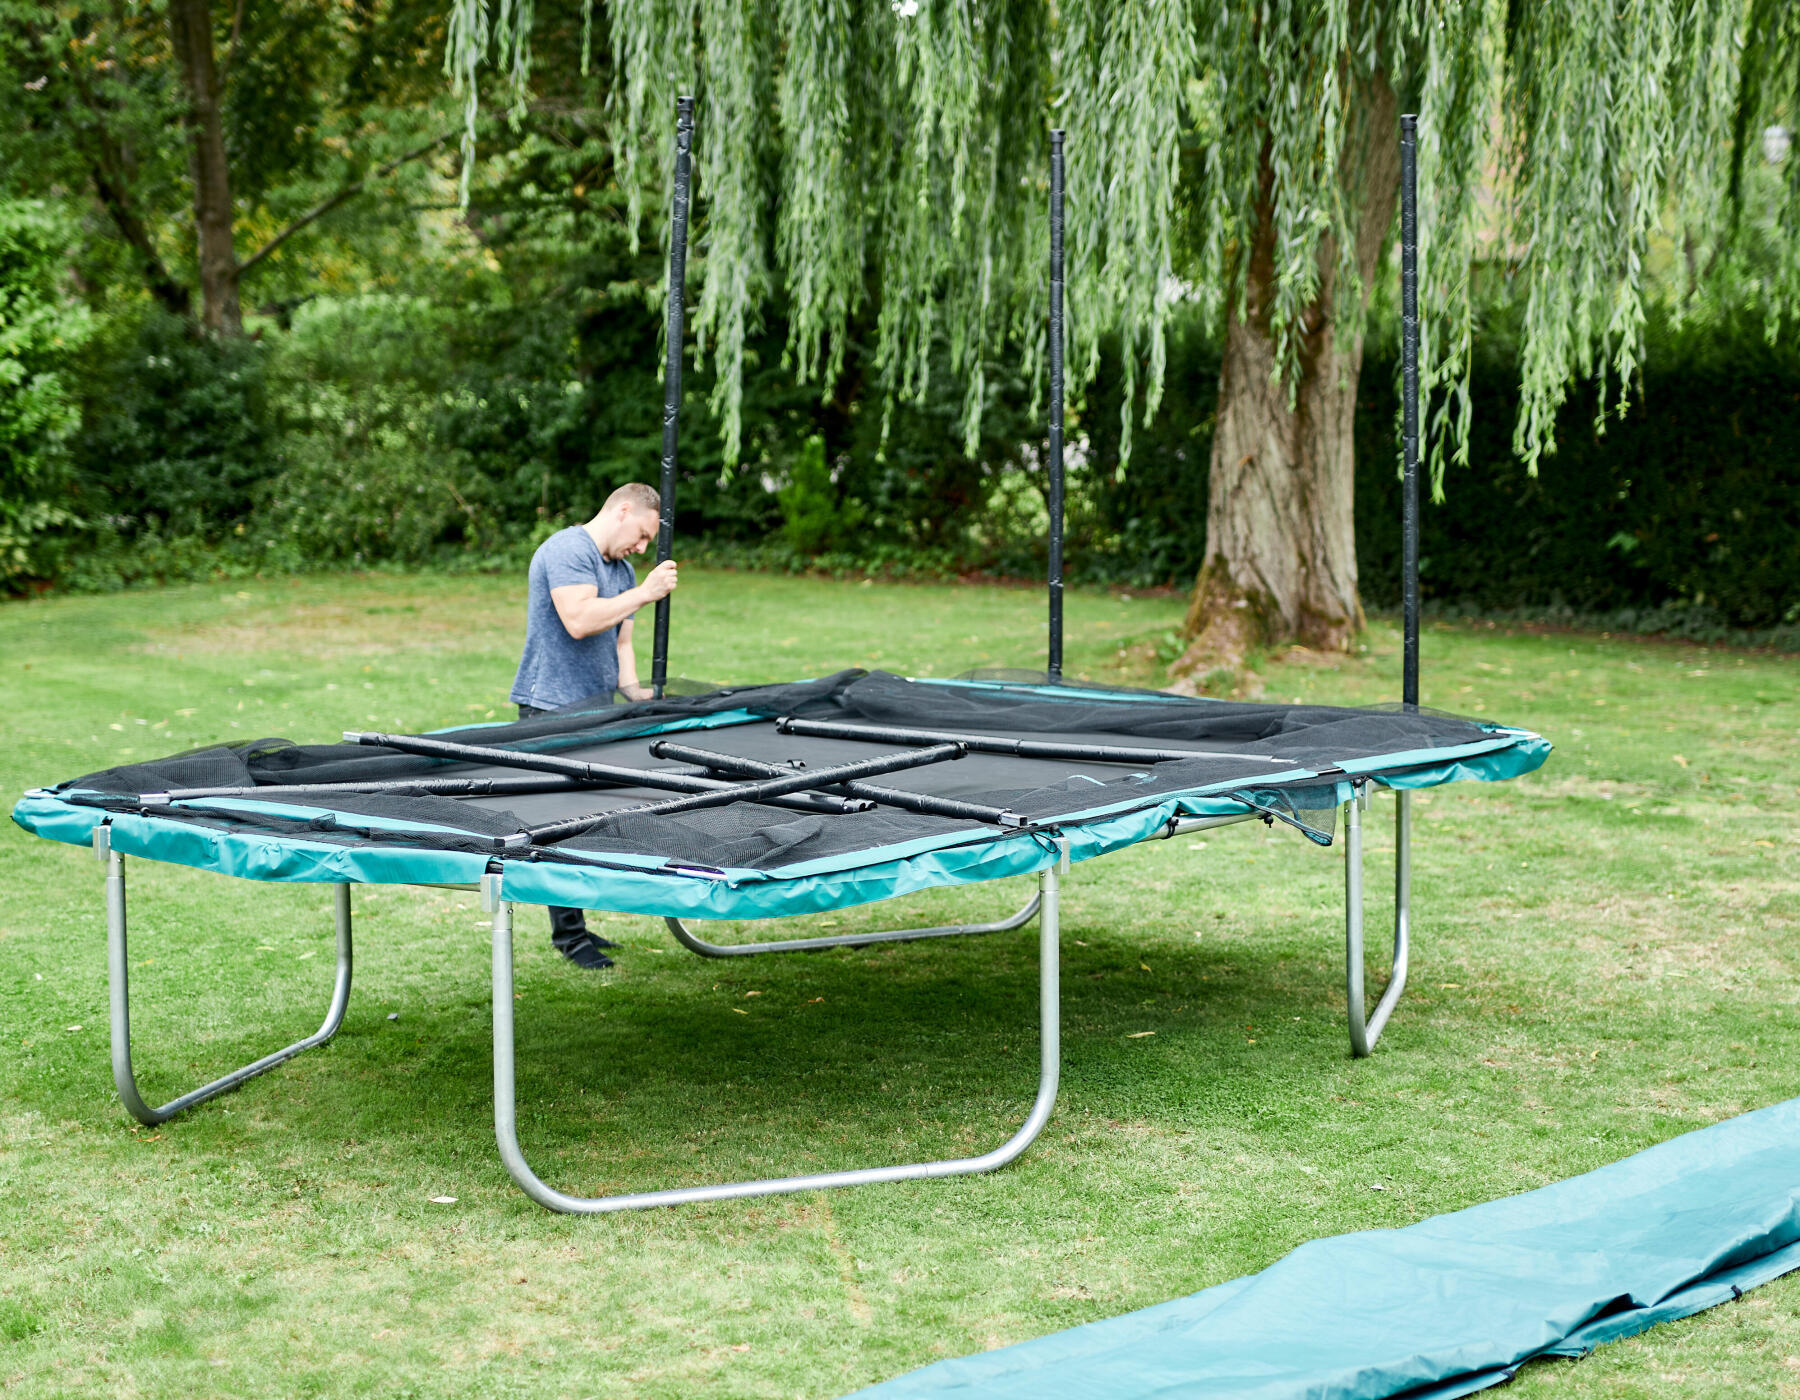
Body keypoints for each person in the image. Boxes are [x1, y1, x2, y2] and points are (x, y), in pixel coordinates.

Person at [509, 482, 679, 969]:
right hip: (550, 708)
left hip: (597, 708)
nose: (643, 548)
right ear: (623, 510)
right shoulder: (567, 550)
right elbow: (580, 620)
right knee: (553, 825)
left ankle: (576, 927)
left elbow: (621, 644)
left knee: (587, 817)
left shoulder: (621, 569)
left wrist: (634, 696)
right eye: (643, 535)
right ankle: (569, 938)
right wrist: (645, 593)